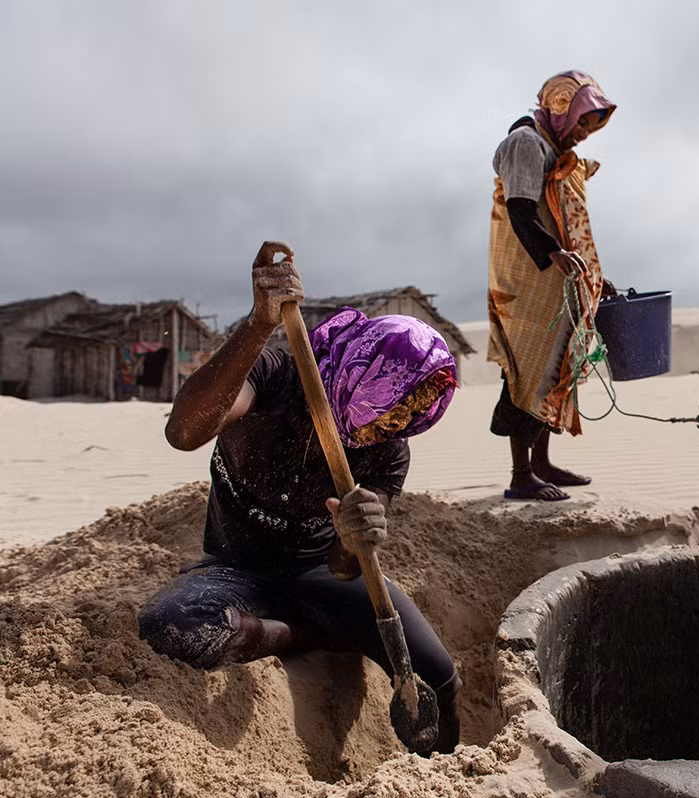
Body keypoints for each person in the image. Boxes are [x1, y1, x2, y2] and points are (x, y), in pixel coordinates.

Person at [137, 241, 462, 753]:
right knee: (173, 627)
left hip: (318, 576)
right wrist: (258, 324)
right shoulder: (277, 377)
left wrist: (358, 538)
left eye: (406, 416)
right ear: (362, 371)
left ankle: (449, 776)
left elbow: (344, 568)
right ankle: (305, 632)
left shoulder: (386, 452)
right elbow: (183, 431)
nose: (390, 424)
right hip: (233, 567)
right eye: (387, 403)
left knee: (437, 674)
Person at [487, 69, 617, 501]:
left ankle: (541, 463)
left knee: (554, 369)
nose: (583, 134)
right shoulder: (526, 144)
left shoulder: (552, 148)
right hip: (527, 280)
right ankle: (521, 474)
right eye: (582, 122)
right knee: (526, 373)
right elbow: (521, 209)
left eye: (591, 125)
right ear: (561, 109)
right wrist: (552, 254)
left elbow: (559, 219)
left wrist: (591, 273)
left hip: (553, 280)